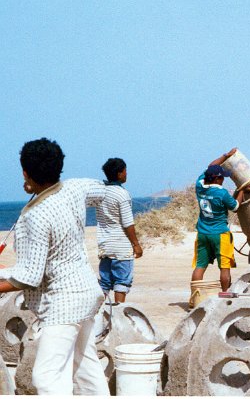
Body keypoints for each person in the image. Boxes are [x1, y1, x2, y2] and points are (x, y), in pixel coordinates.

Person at [0, 138, 109, 395]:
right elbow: (102, 190)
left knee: (46, 377)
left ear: (25, 172)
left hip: (64, 305)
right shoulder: (74, 188)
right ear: (59, 167)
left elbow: (28, 278)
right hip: (87, 293)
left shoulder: (34, 217)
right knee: (85, 367)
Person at [191, 148, 247, 293]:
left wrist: (225, 156)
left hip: (203, 233)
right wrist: (242, 188)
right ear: (217, 179)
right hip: (220, 234)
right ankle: (225, 294)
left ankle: (194, 297)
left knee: (200, 265)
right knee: (224, 266)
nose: (223, 180)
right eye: (222, 177)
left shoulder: (200, 186)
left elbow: (210, 167)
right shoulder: (221, 193)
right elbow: (235, 207)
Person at [96, 158, 143, 303]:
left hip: (105, 246)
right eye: (124, 171)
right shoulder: (122, 194)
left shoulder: (101, 192)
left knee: (104, 283)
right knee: (121, 283)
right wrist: (136, 244)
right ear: (119, 173)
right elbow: (128, 223)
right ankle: (118, 318)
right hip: (121, 247)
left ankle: (100, 316)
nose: (126, 174)